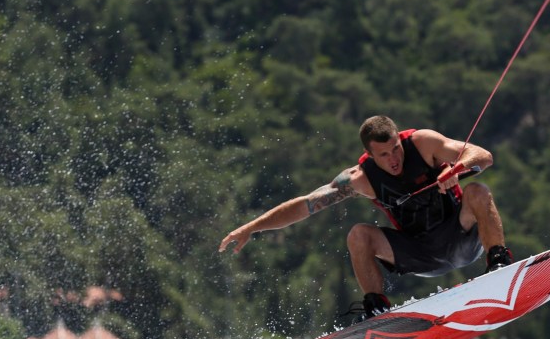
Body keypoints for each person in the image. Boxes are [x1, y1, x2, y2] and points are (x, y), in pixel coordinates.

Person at [219, 115, 514, 319]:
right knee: (358, 234)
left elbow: (481, 154)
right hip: (419, 253)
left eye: (396, 149)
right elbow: (306, 204)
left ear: (400, 138)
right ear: (369, 155)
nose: (394, 159)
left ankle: (499, 263)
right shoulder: (359, 179)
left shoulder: (424, 144)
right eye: (384, 155)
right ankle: (376, 308)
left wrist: (457, 168)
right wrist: (252, 227)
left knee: (477, 189)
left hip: (461, 235)